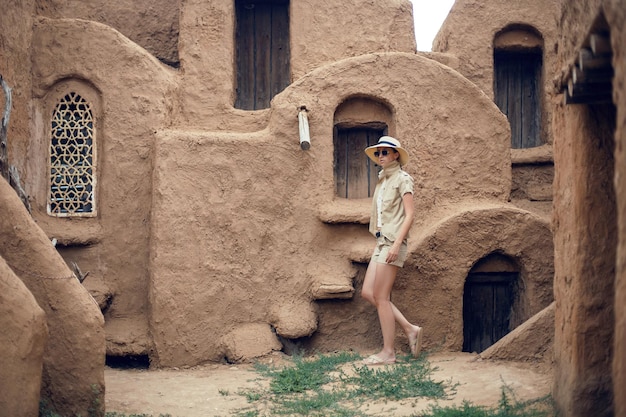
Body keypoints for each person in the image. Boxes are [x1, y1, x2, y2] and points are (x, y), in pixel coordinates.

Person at [361, 136, 423, 365]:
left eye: (385, 152)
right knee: (368, 293)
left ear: (396, 154)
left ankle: (388, 352)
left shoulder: (403, 179)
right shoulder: (383, 180)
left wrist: (397, 244)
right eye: (378, 153)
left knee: (381, 297)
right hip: (381, 242)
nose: (381, 156)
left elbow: (410, 215)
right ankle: (410, 329)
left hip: (392, 242)